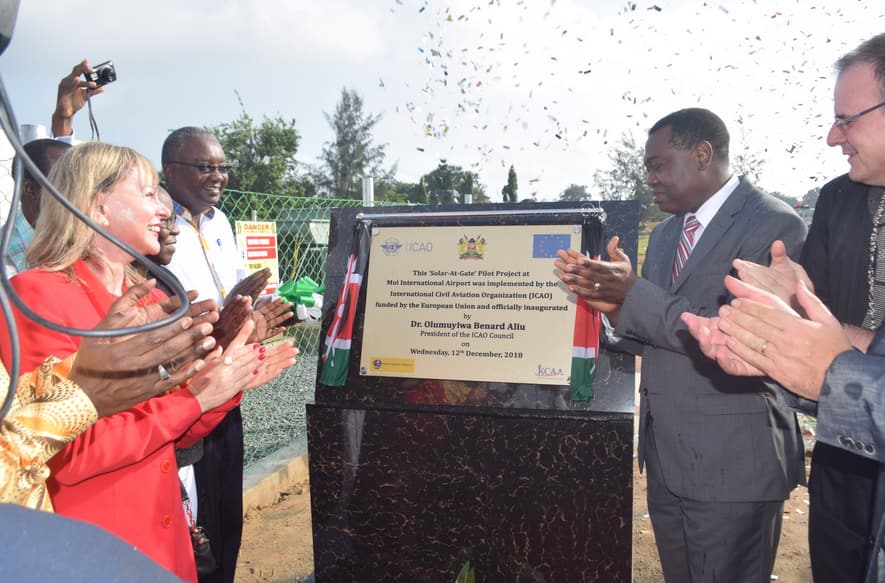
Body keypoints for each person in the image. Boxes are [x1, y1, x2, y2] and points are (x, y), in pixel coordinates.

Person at [0, 141, 298, 582]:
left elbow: (176, 435)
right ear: (96, 206)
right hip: (95, 545)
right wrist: (196, 398)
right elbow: (69, 453)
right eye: (147, 193)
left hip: (163, 536)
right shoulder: (37, 296)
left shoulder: (155, 297)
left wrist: (226, 379)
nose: (164, 209)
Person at [554, 108, 807, 582]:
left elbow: (735, 336)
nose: (649, 178)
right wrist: (609, 307)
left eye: (657, 165)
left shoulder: (773, 225)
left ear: (703, 154)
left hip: (733, 465)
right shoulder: (669, 233)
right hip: (669, 462)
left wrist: (634, 293)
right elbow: (657, 330)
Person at [682, 32, 885, 583]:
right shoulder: (840, 198)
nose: (831, 136)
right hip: (845, 465)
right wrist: (781, 324)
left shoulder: (768, 214)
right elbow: (842, 336)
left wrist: (829, 365)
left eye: (849, 118)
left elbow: (838, 357)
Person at [162, 126, 292, 583]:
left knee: (226, 508)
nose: (218, 176)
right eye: (205, 167)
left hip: (230, 383)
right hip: (182, 388)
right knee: (194, 520)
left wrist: (251, 314)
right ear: (170, 171)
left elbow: (239, 291)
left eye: (222, 167)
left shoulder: (220, 222)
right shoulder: (157, 227)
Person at [0, 280, 217, 509]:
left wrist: (87, 367)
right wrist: (80, 400)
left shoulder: (146, 293)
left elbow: (14, 405)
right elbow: (73, 456)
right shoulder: (35, 289)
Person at [5, 138, 71, 274]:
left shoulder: (81, 236)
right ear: (29, 188)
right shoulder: (7, 257)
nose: (77, 190)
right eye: (63, 181)